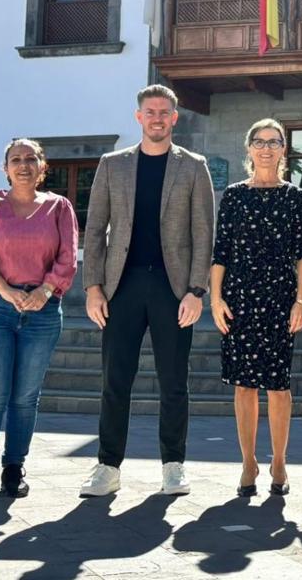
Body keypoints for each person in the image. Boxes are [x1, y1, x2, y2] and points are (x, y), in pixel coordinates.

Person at [79, 85, 214, 498]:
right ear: (139, 117)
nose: (157, 118)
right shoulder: (112, 164)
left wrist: (196, 291)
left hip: (173, 289)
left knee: (173, 381)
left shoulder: (194, 166)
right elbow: (95, 228)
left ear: (175, 118)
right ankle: (107, 466)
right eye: (150, 111)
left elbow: (203, 233)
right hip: (122, 286)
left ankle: (173, 466)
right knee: (114, 379)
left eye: (165, 112)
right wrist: (93, 287)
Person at [0, 138, 78, 503]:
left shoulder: (60, 207)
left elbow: (67, 256)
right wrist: (11, 293)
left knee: (26, 397)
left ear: (43, 166)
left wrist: (43, 292)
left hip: (42, 311)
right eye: (16, 159)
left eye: (31, 159)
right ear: (5, 167)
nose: (23, 165)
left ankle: (14, 468)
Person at [210, 119, 302, 497]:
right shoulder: (234, 196)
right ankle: (248, 463)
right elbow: (221, 253)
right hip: (239, 300)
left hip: (280, 300)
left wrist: (301, 299)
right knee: (244, 386)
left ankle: (280, 462)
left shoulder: (294, 197)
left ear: (283, 149)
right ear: (249, 148)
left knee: (279, 386)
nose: (266, 148)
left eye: (274, 142)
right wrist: (216, 299)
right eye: (259, 141)